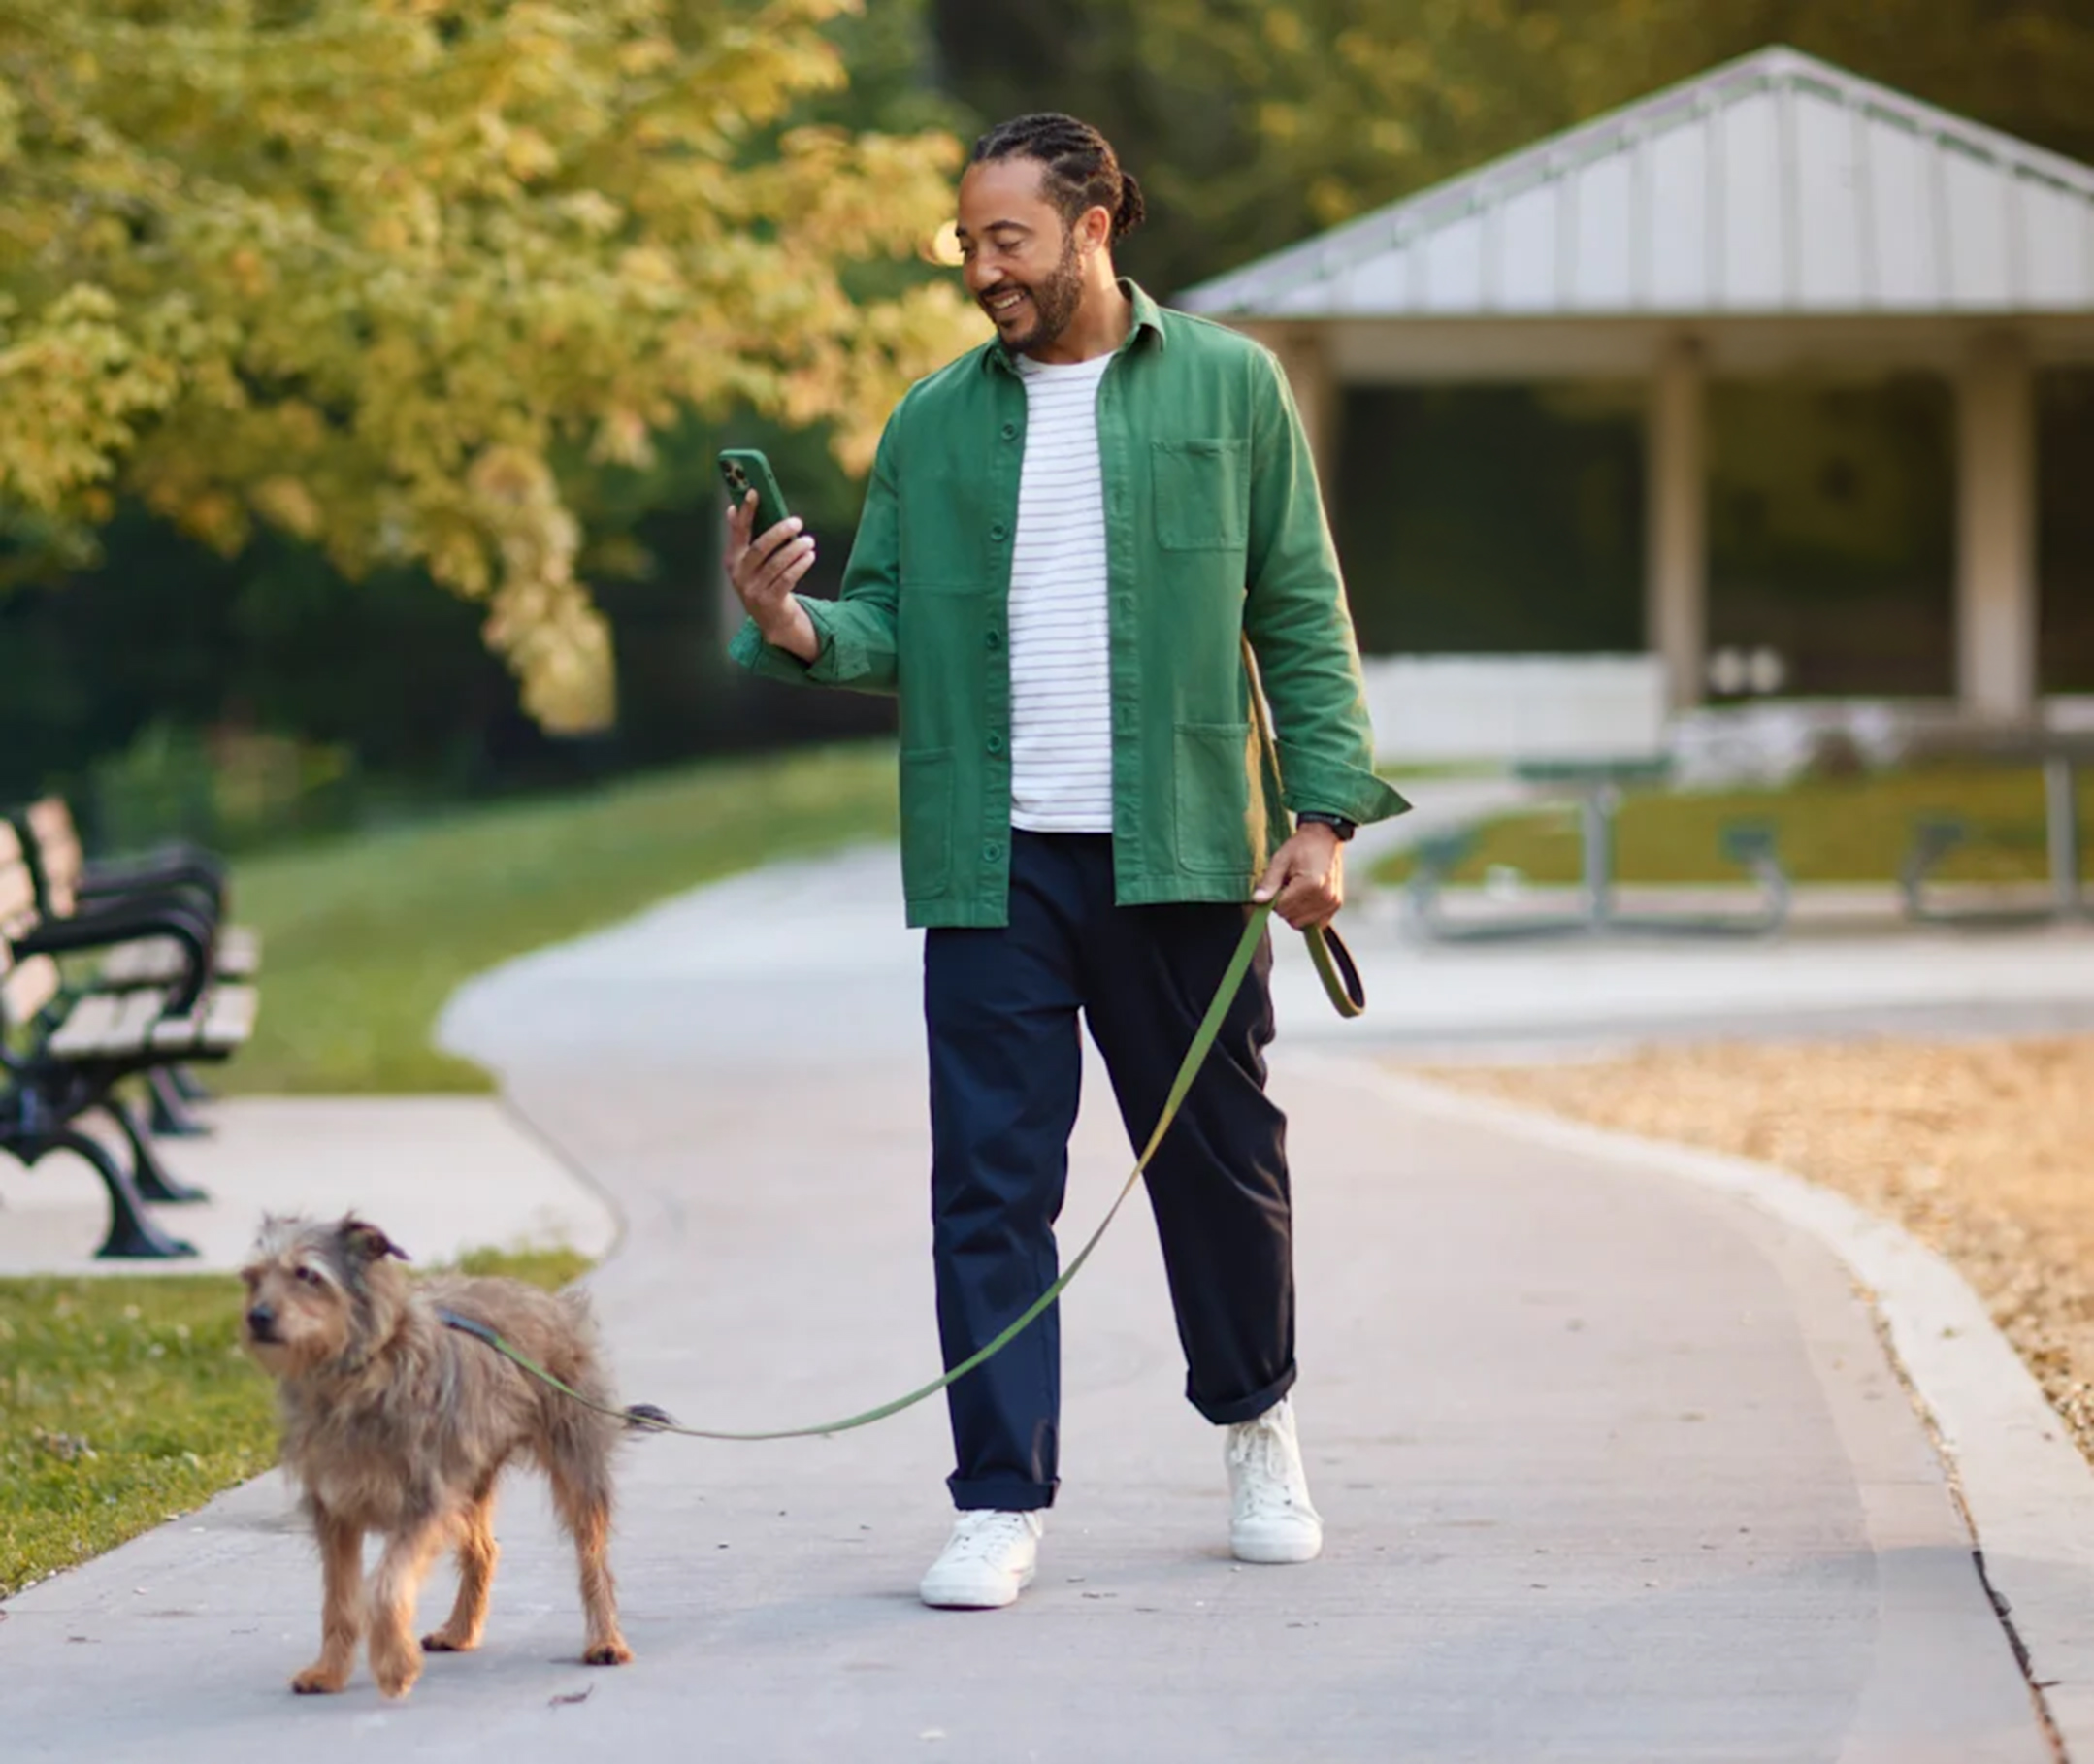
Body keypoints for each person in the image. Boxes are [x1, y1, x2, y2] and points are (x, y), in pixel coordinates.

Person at [725, 113, 1406, 1611]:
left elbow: (1298, 609)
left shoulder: (1230, 387)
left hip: (1180, 859)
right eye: (965, 244)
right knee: (986, 1186)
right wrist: (790, 624)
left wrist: (1320, 816)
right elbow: (882, 625)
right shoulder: (930, 420)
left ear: (1093, 226)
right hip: (994, 866)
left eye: (1005, 239)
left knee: (1221, 1172)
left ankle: (1254, 1425)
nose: (981, 270)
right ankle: (996, 1497)